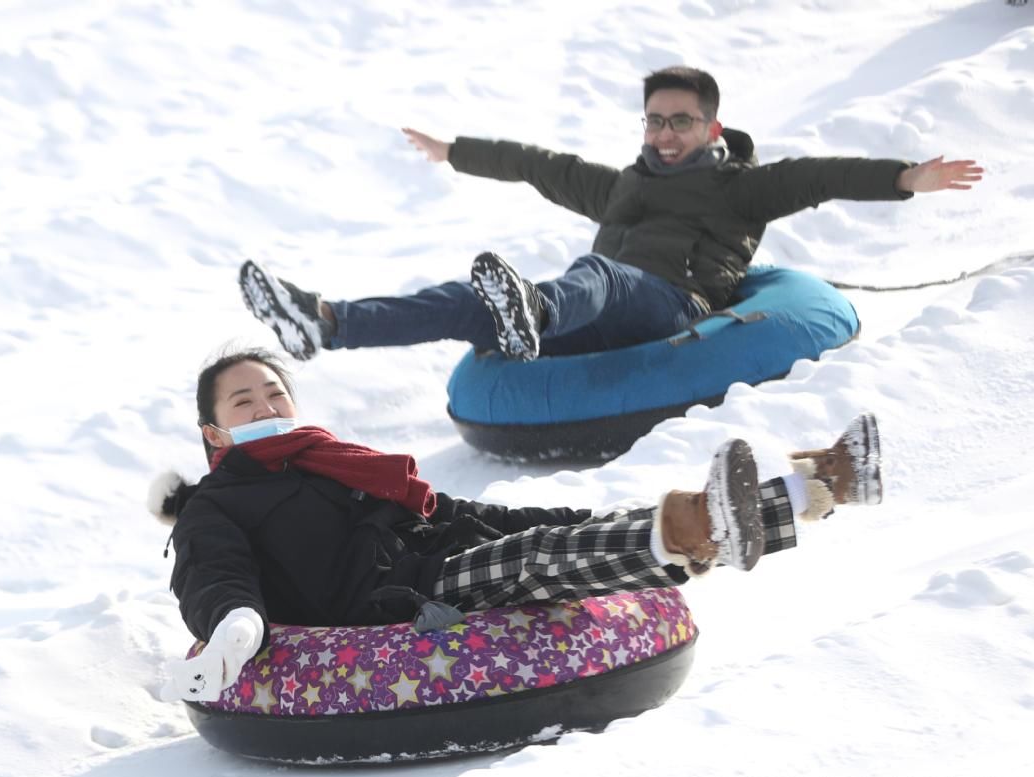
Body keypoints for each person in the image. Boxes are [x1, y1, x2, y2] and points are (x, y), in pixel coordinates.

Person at [154, 349, 882, 702]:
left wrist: (589, 518)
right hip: (375, 613)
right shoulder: (215, 504)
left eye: (275, 390)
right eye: (244, 401)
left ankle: (811, 489)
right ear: (214, 432)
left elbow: (460, 516)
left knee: (554, 535)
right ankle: (705, 521)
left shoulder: (337, 465)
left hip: (423, 570)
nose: (267, 405)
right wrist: (233, 626)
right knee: (532, 559)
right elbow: (215, 572)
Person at [236, 65, 983, 363]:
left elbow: (820, 175)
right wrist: (452, 150)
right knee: (466, 300)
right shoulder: (620, 187)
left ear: (711, 130)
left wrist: (904, 177)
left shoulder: (740, 189)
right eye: (654, 120)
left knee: (596, 271)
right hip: (588, 313)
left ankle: (533, 308)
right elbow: (539, 166)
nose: (663, 132)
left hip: (673, 307)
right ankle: (329, 323)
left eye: (679, 121)